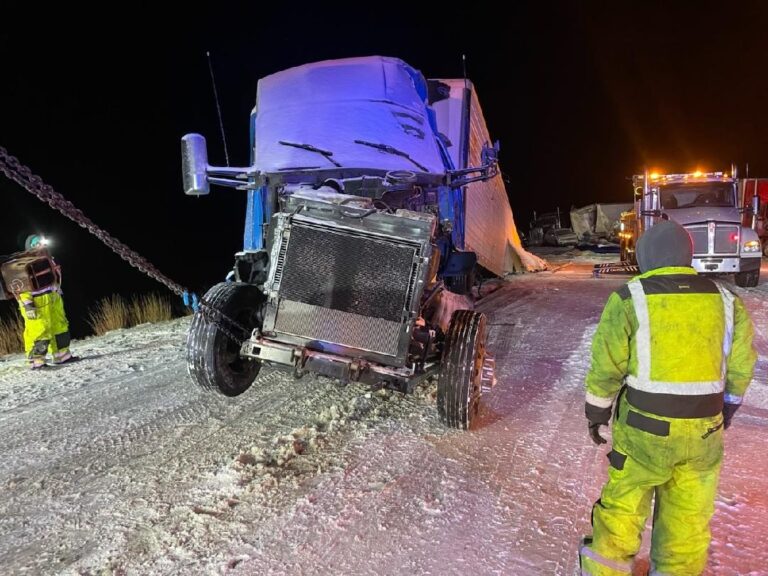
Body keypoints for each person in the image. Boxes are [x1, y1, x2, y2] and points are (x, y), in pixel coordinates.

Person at [579, 220, 757, 575]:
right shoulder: (726, 300)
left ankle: (605, 570)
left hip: (644, 432)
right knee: (687, 518)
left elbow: (607, 364)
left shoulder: (630, 297)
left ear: (645, 256)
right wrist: (727, 409)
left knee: (624, 508)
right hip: (704, 432)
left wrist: (597, 412)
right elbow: (741, 365)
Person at [16, 234, 75, 369]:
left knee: (59, 325)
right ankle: (36, 361)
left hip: (53, 297)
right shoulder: (24, 264)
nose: (40, 245)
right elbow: (21, 287)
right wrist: (27, 305)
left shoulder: (49, 259)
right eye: (36, 243)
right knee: (39, 330)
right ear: (30, 247)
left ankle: (62, 355)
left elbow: (56, 277)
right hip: (36, 301)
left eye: (41, 242)